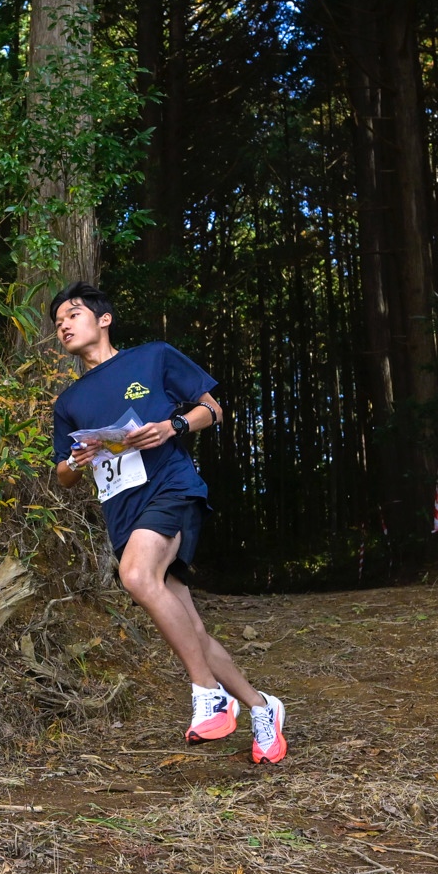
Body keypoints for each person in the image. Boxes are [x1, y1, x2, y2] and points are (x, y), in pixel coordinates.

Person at [47, 282, 286, 764]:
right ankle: (262, 707)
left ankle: (208, 695)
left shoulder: (152, 357)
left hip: (170, 487)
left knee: (136, 575)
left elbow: (212, 408)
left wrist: (172, 426)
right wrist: (76, 459)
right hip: (123, 512)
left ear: (104, 318)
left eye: (73, 314)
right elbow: (62, 475)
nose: (65, 326)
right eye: (58, 323)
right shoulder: (68, 402)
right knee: (190, 628)